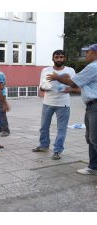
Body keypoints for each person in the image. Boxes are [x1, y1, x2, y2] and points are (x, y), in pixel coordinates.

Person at [47, 44, 97, 172]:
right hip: (91, 106)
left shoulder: (93, 66)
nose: (86, 54)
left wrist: (57, 77)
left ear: (94, 53)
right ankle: (93, 167)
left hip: (95, 107)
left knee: (94, 139)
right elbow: (82, 86)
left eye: (88, 52)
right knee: (91, 138)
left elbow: (74, 82)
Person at [33, 50, 78, 160]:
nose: (59, 59)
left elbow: (76, 86)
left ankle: (57, 151)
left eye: (61, 57)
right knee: (44, 127)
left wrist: (70, 89)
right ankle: (43, 146)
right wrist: (44, 87)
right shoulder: (46, 70)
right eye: (56, 57)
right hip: (47, 102)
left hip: (63, 104)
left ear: (64, 58)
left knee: (61, 129)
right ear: (53, 58)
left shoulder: (70, 70)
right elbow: (41, 86)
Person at [0, 65, 10, 137]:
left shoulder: (0, 74)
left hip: (1, 95)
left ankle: (6, 130)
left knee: (2, 113)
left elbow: (1, 86)